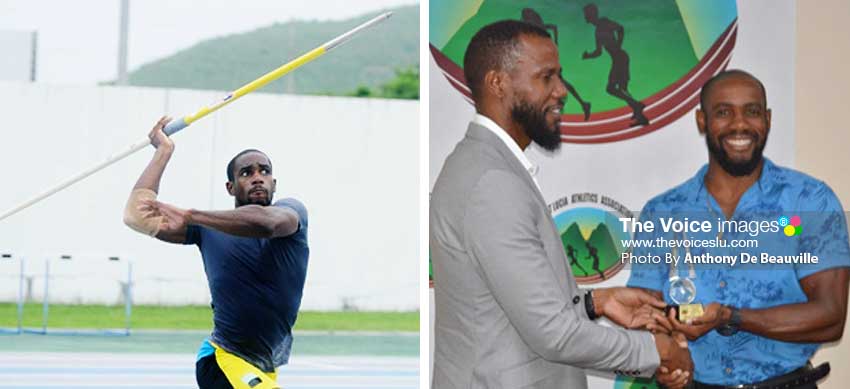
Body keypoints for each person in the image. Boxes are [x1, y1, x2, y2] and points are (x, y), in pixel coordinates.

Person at [430, 20, 692, 389]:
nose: (561, 90)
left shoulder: (488, 167)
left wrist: (595, 303)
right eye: (546, 77)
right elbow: (553, 333)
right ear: (498, 83)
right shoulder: (492, 182)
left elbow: (511, 306)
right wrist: (658, 350)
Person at [628, 69, 850, 388]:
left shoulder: (809, 199)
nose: (740, 124)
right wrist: (668, 355)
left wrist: (730, 317)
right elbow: (645, 314)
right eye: (723, 112)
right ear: (702, 121)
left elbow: (831, 317)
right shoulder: (662, 211)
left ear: (768, 120)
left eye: (752, 111)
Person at [123, 116, 309, 389]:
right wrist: (164, 151)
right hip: (223, 359)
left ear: (274, 182)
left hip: (263, 366)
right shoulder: (207, 229)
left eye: (264, 171)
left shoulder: (292, 214)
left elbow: (267, 224)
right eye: (246, 173)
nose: (258, 178)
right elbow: (136, 216)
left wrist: (192, 215)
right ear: (231, 187)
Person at [521, 7, 593, 120]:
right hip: (541, 63)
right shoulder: (534, 29)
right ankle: (583, 104)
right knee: (559, 84)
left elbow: (553, 28)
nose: (524, 19)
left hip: (545, 64)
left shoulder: (537, 28)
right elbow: (553, 28)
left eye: (525, 16)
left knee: (558, 85)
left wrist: (556, 43)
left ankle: (582, 104)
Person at [581, 3, 648, 126]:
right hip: (618, 59)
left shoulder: (603, 22)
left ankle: (637, 105)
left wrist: (618, 45)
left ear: (591, 14)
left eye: (586, 14)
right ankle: (640, 115)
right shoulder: (597, 31)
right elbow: (599, 52)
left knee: (611, 89)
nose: (585, 17)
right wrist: (588, 56)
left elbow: (620, 28)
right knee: (623, 89)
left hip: (620, 59)